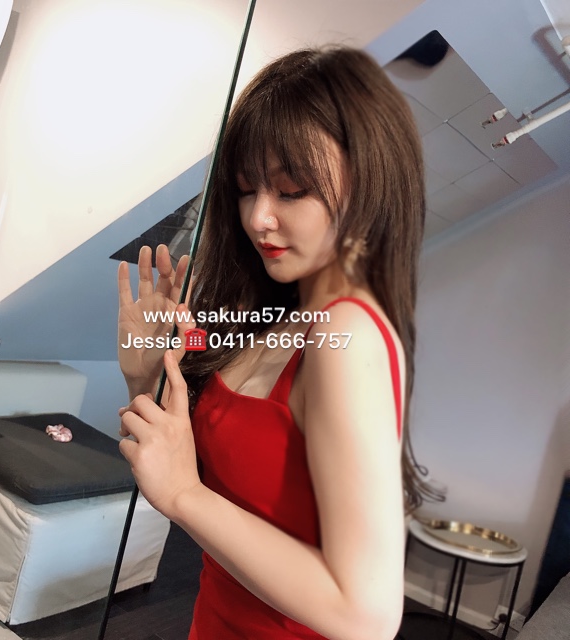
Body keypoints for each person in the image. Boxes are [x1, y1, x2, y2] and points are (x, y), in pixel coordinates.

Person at [116, 46, 437, 640]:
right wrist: (145, 376)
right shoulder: (274, 317)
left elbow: (366, 615)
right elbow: (192, 467)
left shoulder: (347, 336)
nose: (258, 217)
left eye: (290, 191)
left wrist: (185, 495)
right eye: (247, 189)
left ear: (370, 185)